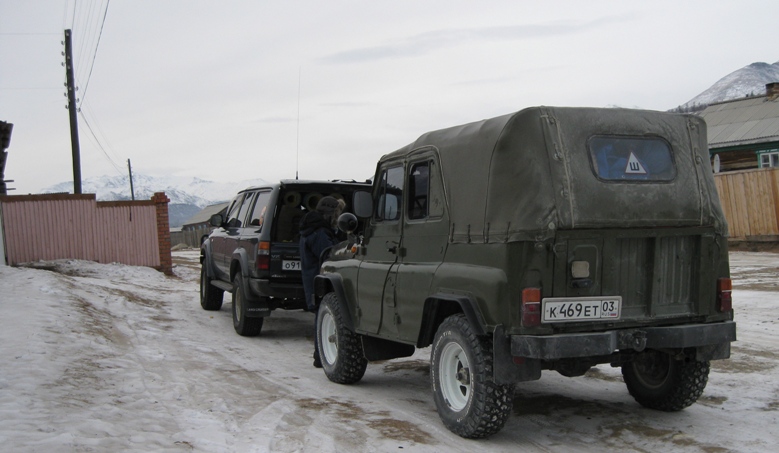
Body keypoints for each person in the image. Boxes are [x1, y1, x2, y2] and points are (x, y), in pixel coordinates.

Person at [299, 196, 345, 368]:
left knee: (321, 315)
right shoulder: (319, 233)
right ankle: (321, 356)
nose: (338, 217)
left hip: (312, 280)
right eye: (337, 213)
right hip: (319, 282)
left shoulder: (312, 229)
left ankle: (320, 356)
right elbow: (329, 256)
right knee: (323, 315)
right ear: (330, 213)